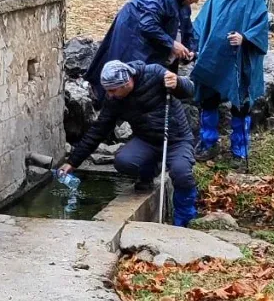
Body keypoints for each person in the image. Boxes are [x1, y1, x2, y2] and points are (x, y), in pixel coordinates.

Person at [60, 60, 199, 226]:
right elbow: (98, 131)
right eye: (107, 90)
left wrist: (178, 82)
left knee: (182, 173)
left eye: (112, 90)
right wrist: (73, 162)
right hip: (146, 140)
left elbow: (190, 91)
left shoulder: (154, 72)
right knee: (124, 161)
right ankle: (148, 174)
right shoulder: (114, 100)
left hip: (176, 139)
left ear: (126, 83)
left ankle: (184, 219)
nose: (109, 95)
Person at [191, 0, 269, 168]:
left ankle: (239, 150)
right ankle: (208, 143)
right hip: (214, 58)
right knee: (208, 99)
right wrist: (193, 47)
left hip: (240, 60)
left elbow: (261, 27)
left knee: (240, 104)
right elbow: (201, 24)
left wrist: (245, 38)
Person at [85, 0, 211, 92]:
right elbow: (148, 25)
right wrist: (171, 44)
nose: (196, 2)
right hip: (134, 46)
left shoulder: (183, 5)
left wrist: (190, 50)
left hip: (156, 53)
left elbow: (188, 31)